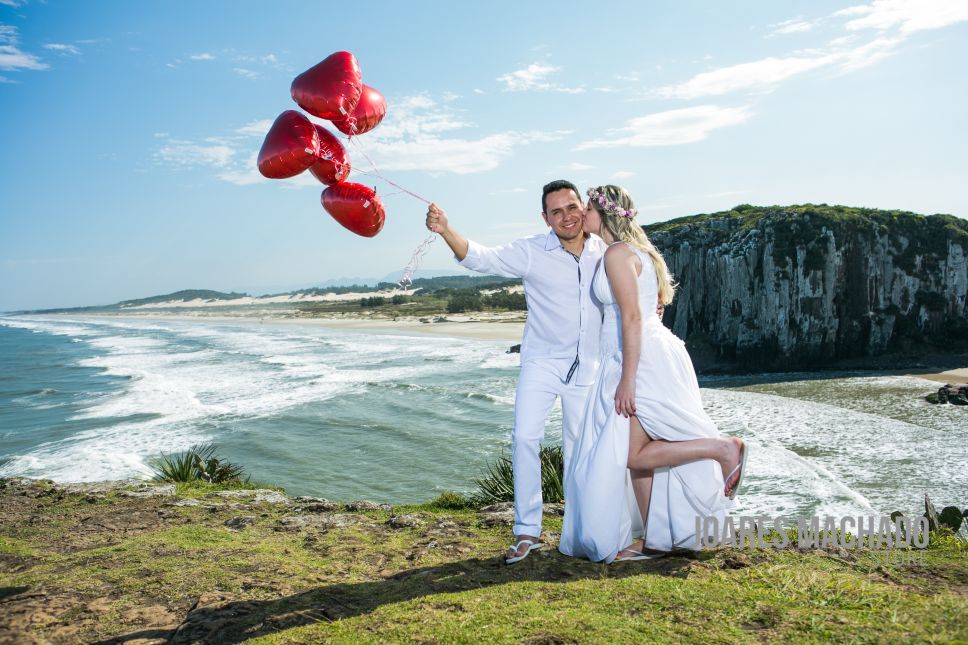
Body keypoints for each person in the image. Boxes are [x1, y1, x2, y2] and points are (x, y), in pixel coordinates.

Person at [559, 185, 748, 564]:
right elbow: (648, 308)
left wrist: (627, 379)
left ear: (603, 213)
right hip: (652, 350)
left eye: (587, 210)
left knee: (633, 455)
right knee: (637, 455)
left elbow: (631, 317)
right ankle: (654, 538)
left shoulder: (615, 253)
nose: (582, 216)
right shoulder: (639, 252)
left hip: (638, 358)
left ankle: (721, 448)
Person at [425, 180, 607, 564]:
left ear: (583, 207)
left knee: (580, 449)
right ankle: (527, 531)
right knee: (525, 438)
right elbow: (480, 258)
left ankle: (578, 530)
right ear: (546, 218)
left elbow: (631, 281)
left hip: (588, 365)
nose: (566, 216)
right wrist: (445, 230)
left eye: (571, 207)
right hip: (541, 361)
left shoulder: (604, 250)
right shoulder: (530, 251)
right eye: (556, 211)